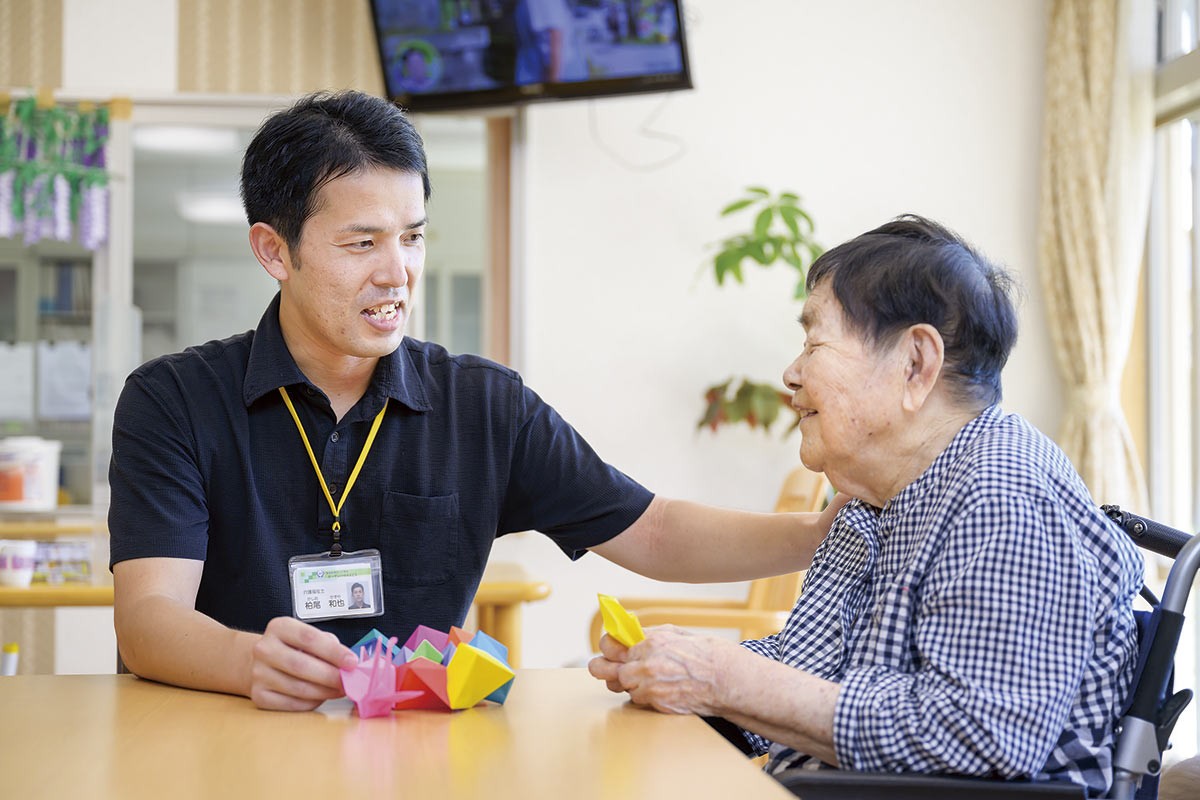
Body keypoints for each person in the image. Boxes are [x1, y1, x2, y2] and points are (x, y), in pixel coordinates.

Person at [109, 89, 842, 713]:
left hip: (415, 757)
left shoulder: (484, 405)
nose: (397, 273)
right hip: (221, 745)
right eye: (361, 244)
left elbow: (652, 532)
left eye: (413, 238)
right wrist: (246, 663)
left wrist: (819, 534)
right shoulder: (172, 401)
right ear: (275, 251)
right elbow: (148, 619)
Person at [589, 216, 1144, 797]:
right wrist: (681, 667)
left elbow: (982, 735)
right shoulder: (872, 499)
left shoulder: (1003, 496)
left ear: (914, 365)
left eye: (814, 343)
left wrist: (725, 680)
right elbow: (812, 661)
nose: (792, 373)